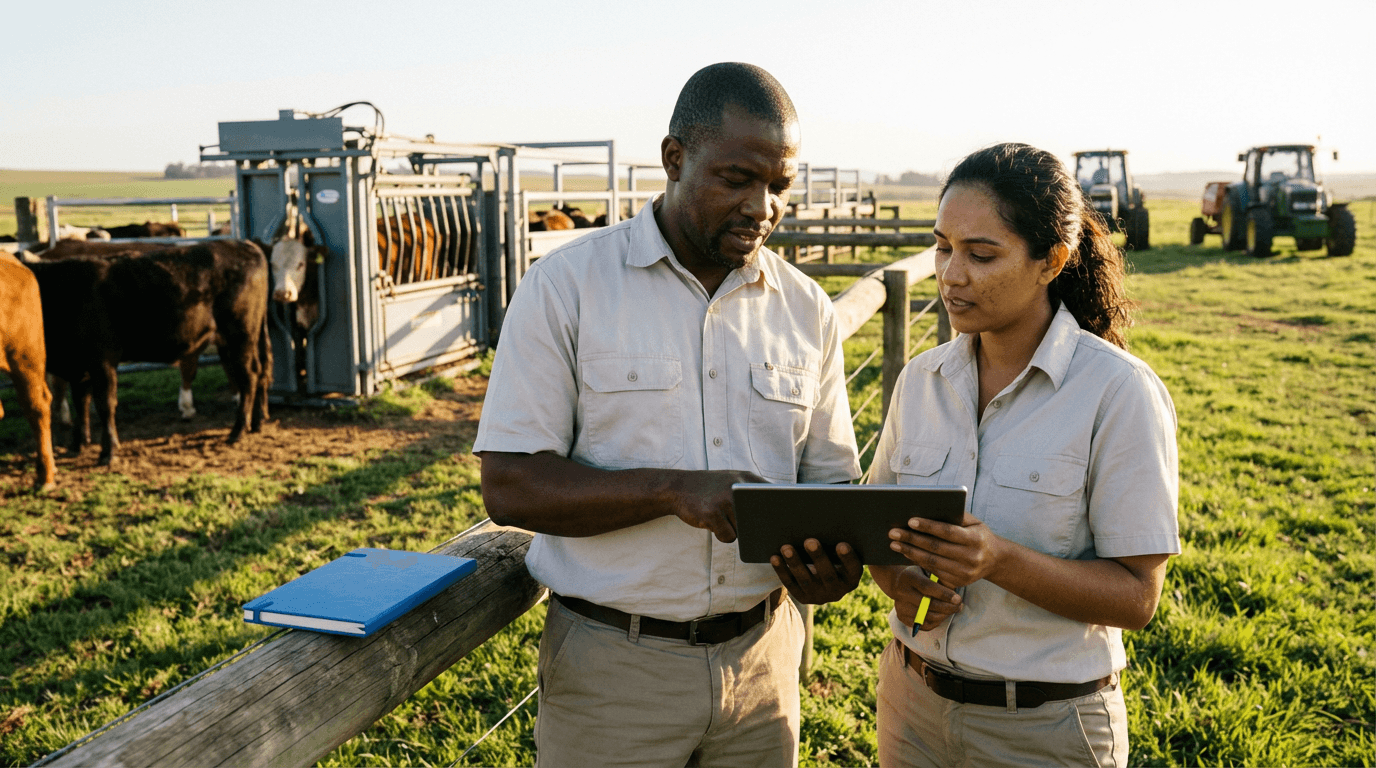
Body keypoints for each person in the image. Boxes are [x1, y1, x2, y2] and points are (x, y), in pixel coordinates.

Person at [473, 62, 862, 768]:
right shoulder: (568, 287)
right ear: (674, 159)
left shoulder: (807, 310)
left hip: (765, 664)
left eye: (780, 187)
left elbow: (832, 489)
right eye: (737, 179)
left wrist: (828, 565)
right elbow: (510, 485)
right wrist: (674, 489)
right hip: (613, 674)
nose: (761, 207)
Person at [866, 142, 1180, 767]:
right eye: (943, 247)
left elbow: (1137, 598)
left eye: (981, 254)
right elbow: (882, 536)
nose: (951, 274)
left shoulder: (1117, 392)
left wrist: (999, 560)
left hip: (1045, 730)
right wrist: (900, 585)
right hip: (912, 709)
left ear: (1052, 261)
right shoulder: (921, 382)